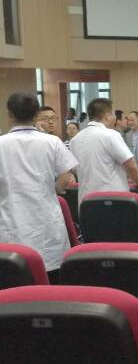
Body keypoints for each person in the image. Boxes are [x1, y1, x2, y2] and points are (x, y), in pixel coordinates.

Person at [0, 93, 78, 281]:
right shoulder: (52, 142)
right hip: (46, 220)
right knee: (49, 278)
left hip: (10, 219)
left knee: (14, 279)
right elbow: (67, 175)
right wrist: (52, 190)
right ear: (36, 115)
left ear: (9, 114)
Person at [69, 98, 138, 208]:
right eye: (114, 114)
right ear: (107, 116)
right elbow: (131, 166)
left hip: (86, 202)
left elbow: (74, 170)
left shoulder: (75, 140)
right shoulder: (110, 135)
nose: (115, 118)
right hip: (113, 200)